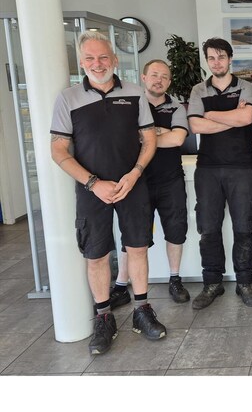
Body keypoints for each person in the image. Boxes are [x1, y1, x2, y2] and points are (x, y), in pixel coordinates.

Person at [50, 31, 166, 355]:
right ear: (81, 62)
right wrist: (93, 183)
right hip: (92, 190)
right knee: (97, 254)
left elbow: (149, 140)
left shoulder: (134, 94)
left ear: (114, 60)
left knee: (138, 248)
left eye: (103, 57)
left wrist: (135, 173)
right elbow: (58, 150)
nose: (97, 64)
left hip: (133, 184)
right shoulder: (68, 99)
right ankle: (104, 318)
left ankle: (141, 310)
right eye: (90, 58)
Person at [108, 60, 191, 309]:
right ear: (143, 78)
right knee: (132, 235)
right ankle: (121, 286)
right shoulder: (130, 104)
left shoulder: (176, 107)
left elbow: (177, 139)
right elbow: (125, 139)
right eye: (154, 75)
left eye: (164, 77)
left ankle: (175, 279)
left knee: (176, 230)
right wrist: (161, 132)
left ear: (169, 82)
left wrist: (145, 136)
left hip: (170, 180)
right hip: (136, 181)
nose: (159, 80)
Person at [187, 37, 252, 309]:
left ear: (230, 59)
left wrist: (209, 114)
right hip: (208, 169)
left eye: (221, 57)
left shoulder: (245, 87)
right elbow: (195, 126)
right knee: (208, 229)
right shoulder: (198, 90)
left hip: (243, 167)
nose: (216, 62)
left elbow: (247, 118)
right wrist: (231, 117)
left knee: (243, 228)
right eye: (211, 58)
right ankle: (212, 283)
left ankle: (244, 282)